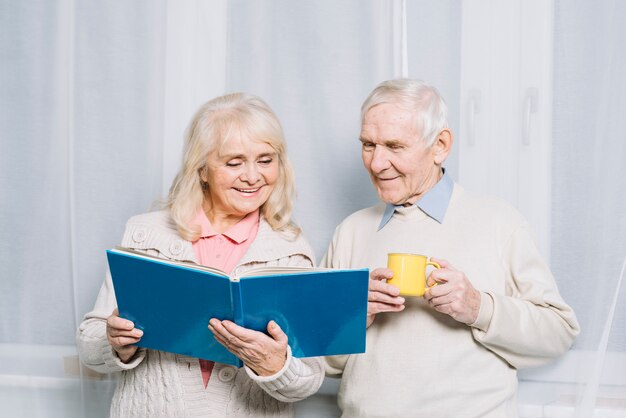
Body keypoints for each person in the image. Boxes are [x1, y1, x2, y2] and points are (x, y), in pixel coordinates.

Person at [322, 79, 580, 417]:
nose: (376, 163)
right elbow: (317, 359)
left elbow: (558, 332)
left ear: (440, 145)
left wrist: (479, 308)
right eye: (368, 145)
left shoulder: (500, 223)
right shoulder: (351, 231)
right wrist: (354, 317)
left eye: (394, 146)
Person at [76, 93, 324, 417]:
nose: (252, 176)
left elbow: (310, 377)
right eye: (234, 162)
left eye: (265, 159)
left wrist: (276, 364)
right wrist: (115, 342)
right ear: (202, 169)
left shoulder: (292, 251)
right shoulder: (146, 235)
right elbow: (89, 344)